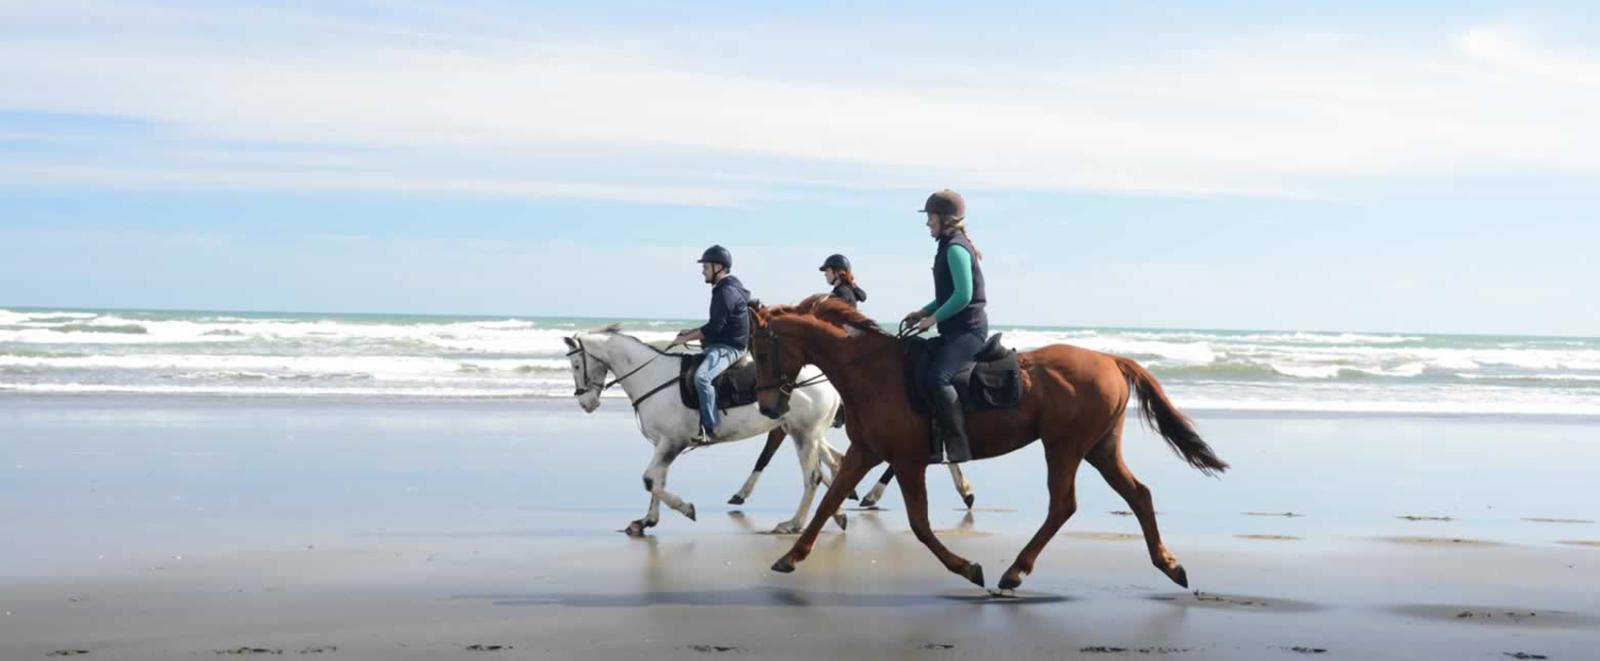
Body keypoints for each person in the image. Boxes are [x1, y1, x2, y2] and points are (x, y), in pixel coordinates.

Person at [902, 190, 986, 464]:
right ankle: (932, 444)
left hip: (969, 331)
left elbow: (963, 295)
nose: (928, 223)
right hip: (954, 331)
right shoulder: (946, 246)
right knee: (921, 366)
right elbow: (946, 295)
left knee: (939, 378)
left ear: (945, 219)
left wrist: (933, 319)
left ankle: (958, 444)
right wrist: (922, 312)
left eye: (930, 217)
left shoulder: (955, 249)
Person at [674, 245, 751, 441]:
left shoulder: (726, 292)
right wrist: (691, 332)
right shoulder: (724, 289)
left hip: (730, 348)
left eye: (706, 267)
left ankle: (711, 428)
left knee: (702, 378)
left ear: (718, 267)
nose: (703, 271)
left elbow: (714, 328)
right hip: (721, 344)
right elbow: (715, 324)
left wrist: (685, 339)